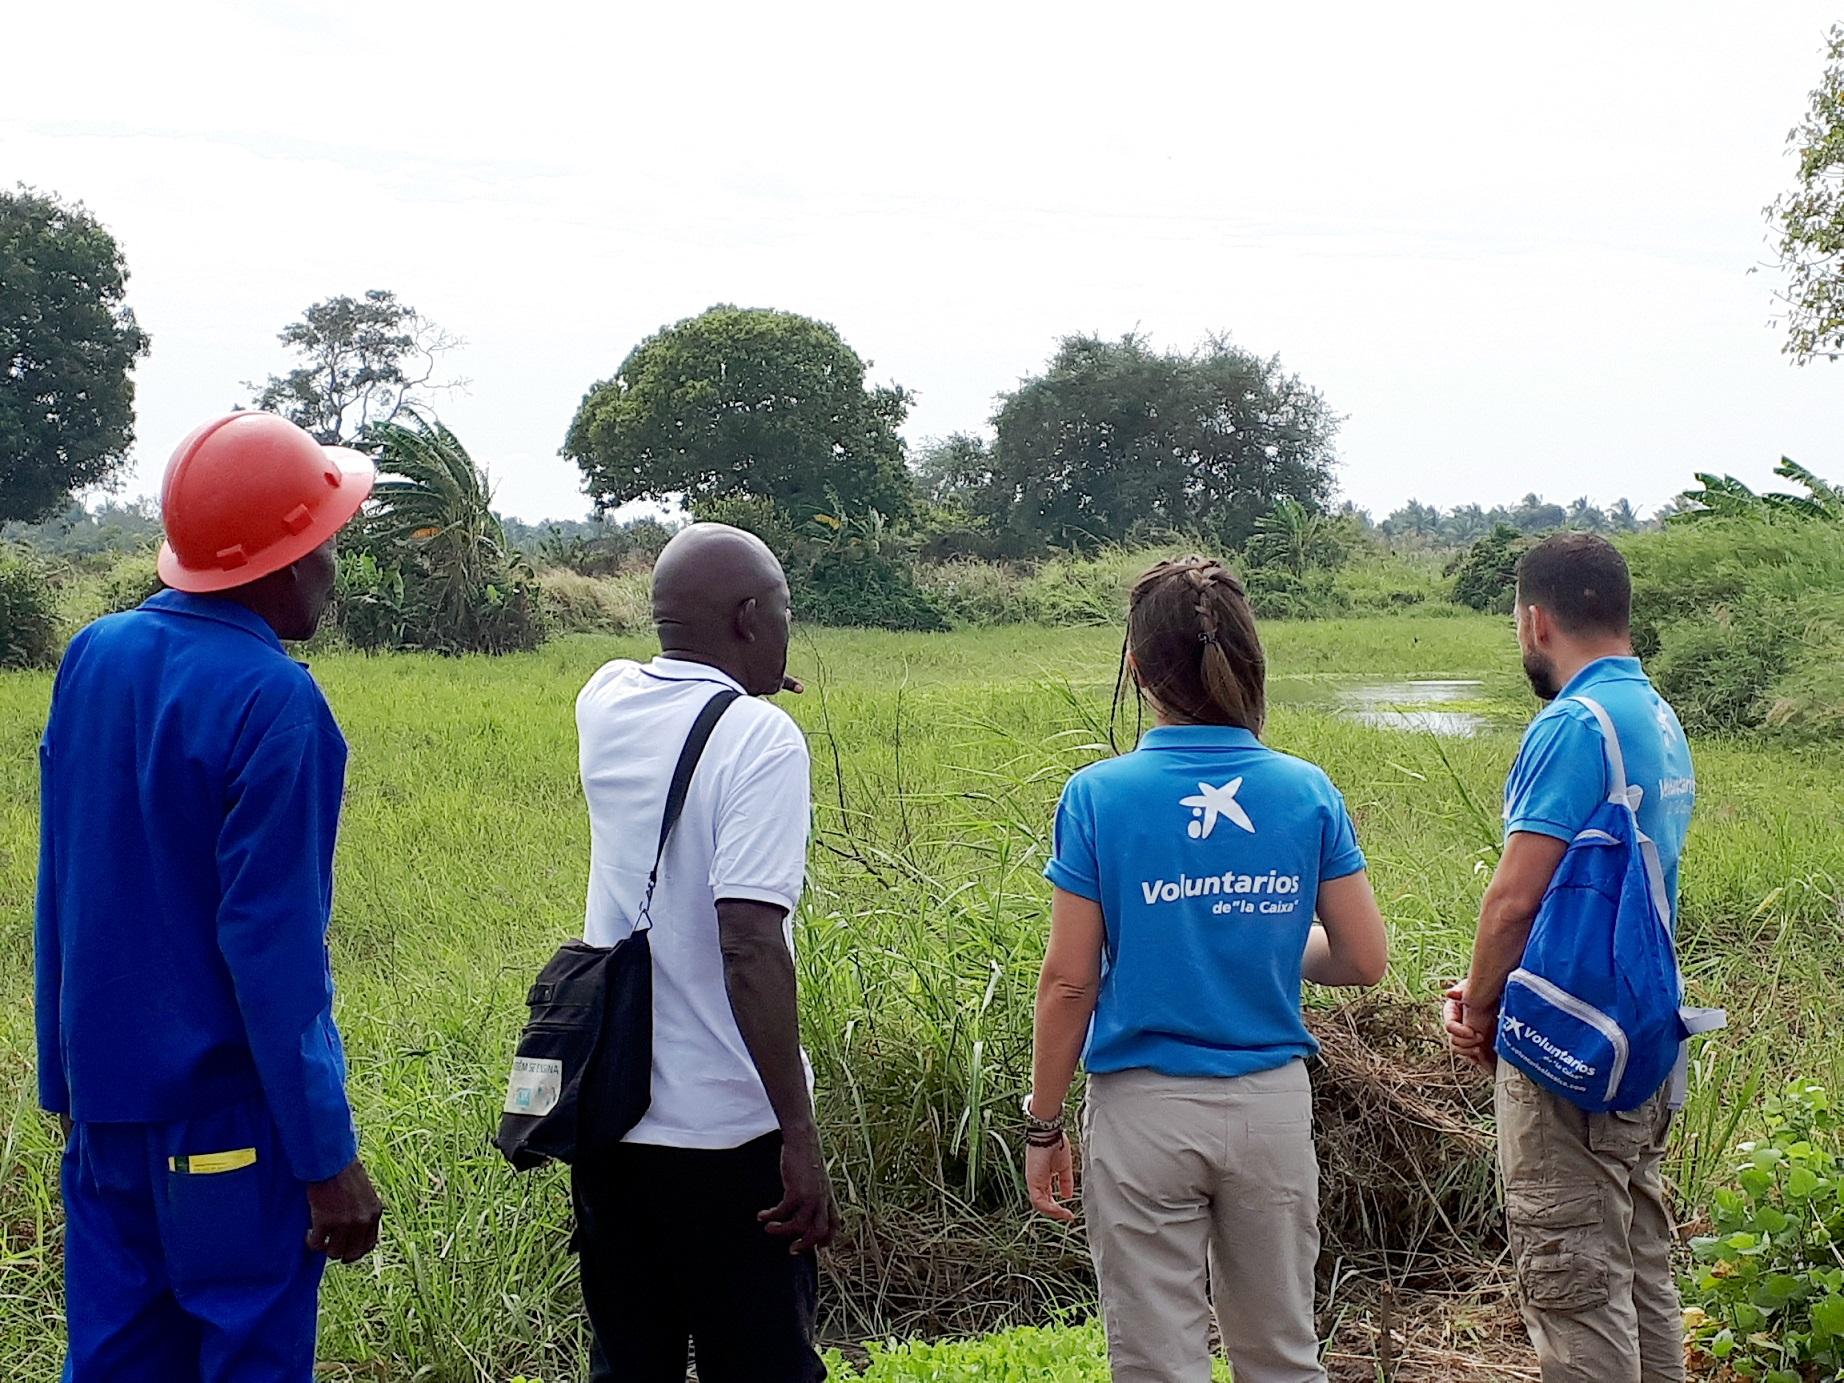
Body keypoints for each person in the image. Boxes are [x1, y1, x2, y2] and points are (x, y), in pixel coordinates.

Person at [35, 412, 385, 1382]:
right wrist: (326, 1160)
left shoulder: (92, 657)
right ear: (277, 563)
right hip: (224, 1126)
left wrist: (59, 1083)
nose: (331, 569)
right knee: (248, 1355)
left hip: (104, 1115)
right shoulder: (277, 701)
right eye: (323, 546)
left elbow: (62, 881)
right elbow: (275, 957)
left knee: (113, 1360)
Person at [1025, 555, 1390, 1383]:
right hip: (1270, 1107)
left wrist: (1043, 1123)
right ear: (1249, 657)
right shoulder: (1306, 790)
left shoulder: (1098, 795)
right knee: (1283, 1355)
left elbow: (1070, 981)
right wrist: (1257, 937)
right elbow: (1364, 959)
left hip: (1143, 1111)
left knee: (1160, 1363)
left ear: (1138, 668)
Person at [569, 523, 834, 1383]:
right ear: (752, 619)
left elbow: (663, 681)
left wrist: (742, 691)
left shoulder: (602, 699)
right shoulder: (761, 741)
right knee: (761, 1366)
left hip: (611, 1118)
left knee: (630, 1364)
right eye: (784, 612)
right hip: (727, 1138)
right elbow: (749, 941)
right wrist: (798, 1132)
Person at [1445, 533, 1696, 1383]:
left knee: (1574, 1280)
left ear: (1535, 619)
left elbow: (1515, 897)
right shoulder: (1657, 715)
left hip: (1575, 1055)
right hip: (1648, 1038)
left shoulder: (1573, 724)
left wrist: (1480, 1006)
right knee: (1640, 1268)